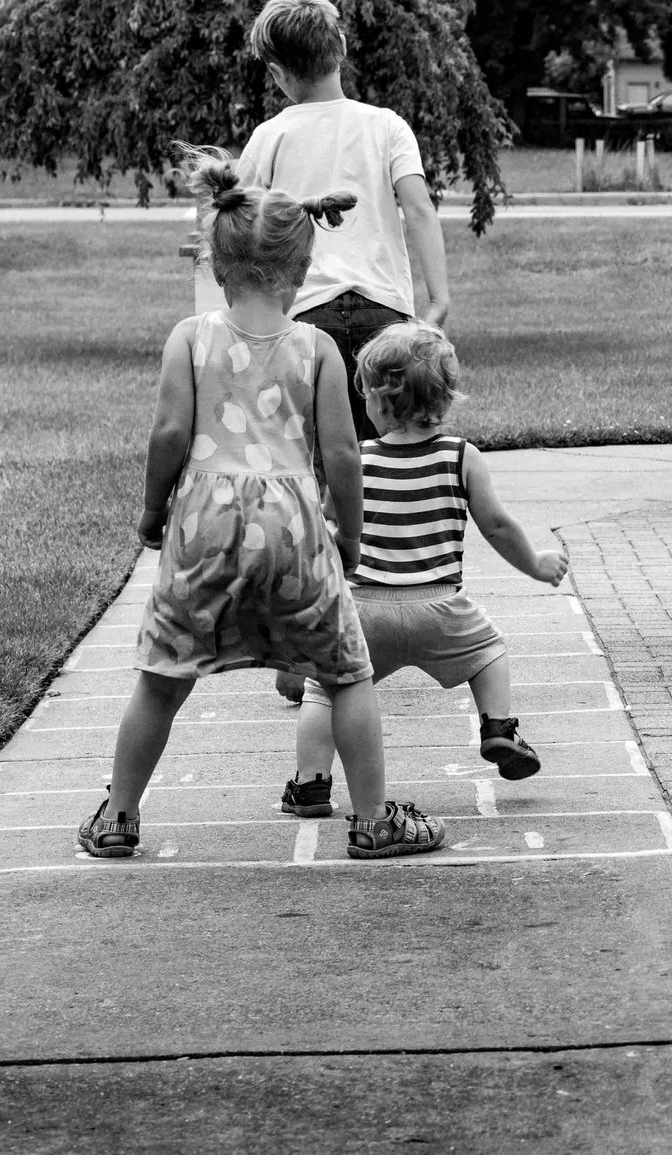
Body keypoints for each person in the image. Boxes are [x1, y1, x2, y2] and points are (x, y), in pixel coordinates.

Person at [79, 156, 446, 862]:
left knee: (162, 676)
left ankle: (119, 816)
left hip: (204, 522)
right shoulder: (318, 348)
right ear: (302, 272)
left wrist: (153, 512)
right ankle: (373, 819)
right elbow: (341, 455)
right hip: (293, 522)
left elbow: (168, 435)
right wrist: (351, 534)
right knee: (345, 672)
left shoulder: (191, 337)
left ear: (218, 268)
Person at [280, 323, 569, 820]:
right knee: (490, 653)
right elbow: (498, 526)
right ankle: (498, 726)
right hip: (441, 607)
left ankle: (310, 785)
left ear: (378, 400)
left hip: (365, 608)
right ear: (445, 398)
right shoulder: (462, 458)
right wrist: (537, 564)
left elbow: (328, 528)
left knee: (324, 692)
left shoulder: (360, 462)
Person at [238, 0, 450, 442]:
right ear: (343, 48)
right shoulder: (387, 125)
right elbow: (419, 210)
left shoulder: (268, 136)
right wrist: (438, 299)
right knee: (388, 446)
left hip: (304, 313)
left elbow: (243, 228)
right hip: (386, 313)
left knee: (318, 452)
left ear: (276, 72)